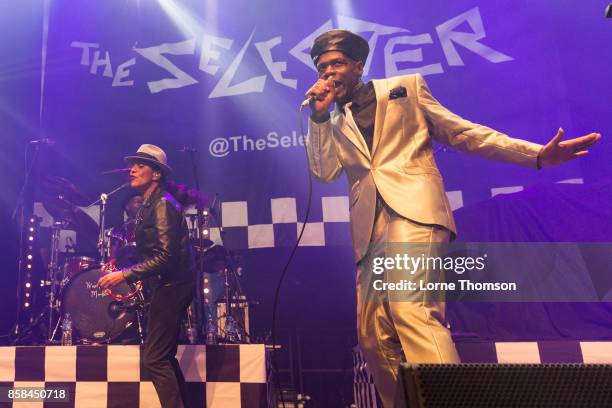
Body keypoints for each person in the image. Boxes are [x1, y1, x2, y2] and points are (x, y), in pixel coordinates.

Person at [304, 29, 601, 407]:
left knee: (411, 310)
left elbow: (465, 133)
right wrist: (318, 118)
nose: (328, 72)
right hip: (370, 228)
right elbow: (324, 172)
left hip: (415, 212)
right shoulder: (333, 121)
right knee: (373, 337)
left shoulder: (406, 88)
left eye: (337, 64)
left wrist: (537, 156)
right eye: (321, 66)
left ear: (357, 65)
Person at [98, 144, 194, 408]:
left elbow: (167, 256)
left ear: (156, 174)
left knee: (154, 359)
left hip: (173, 286)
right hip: (168, 285)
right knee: (164, 357)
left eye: (141, 165)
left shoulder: (162, 205)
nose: (133, 170)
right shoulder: (151, 204)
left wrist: (125, 275)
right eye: (133, 165)